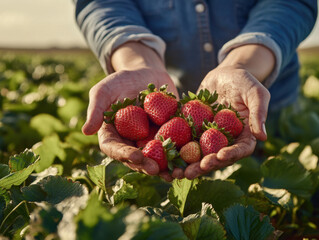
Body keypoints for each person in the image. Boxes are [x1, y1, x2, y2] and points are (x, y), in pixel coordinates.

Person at [74, 0, 317, 181]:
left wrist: (242, 66)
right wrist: (137, 64)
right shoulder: (164, 121)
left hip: (269, 103)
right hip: (176, 102)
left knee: (279, 176)